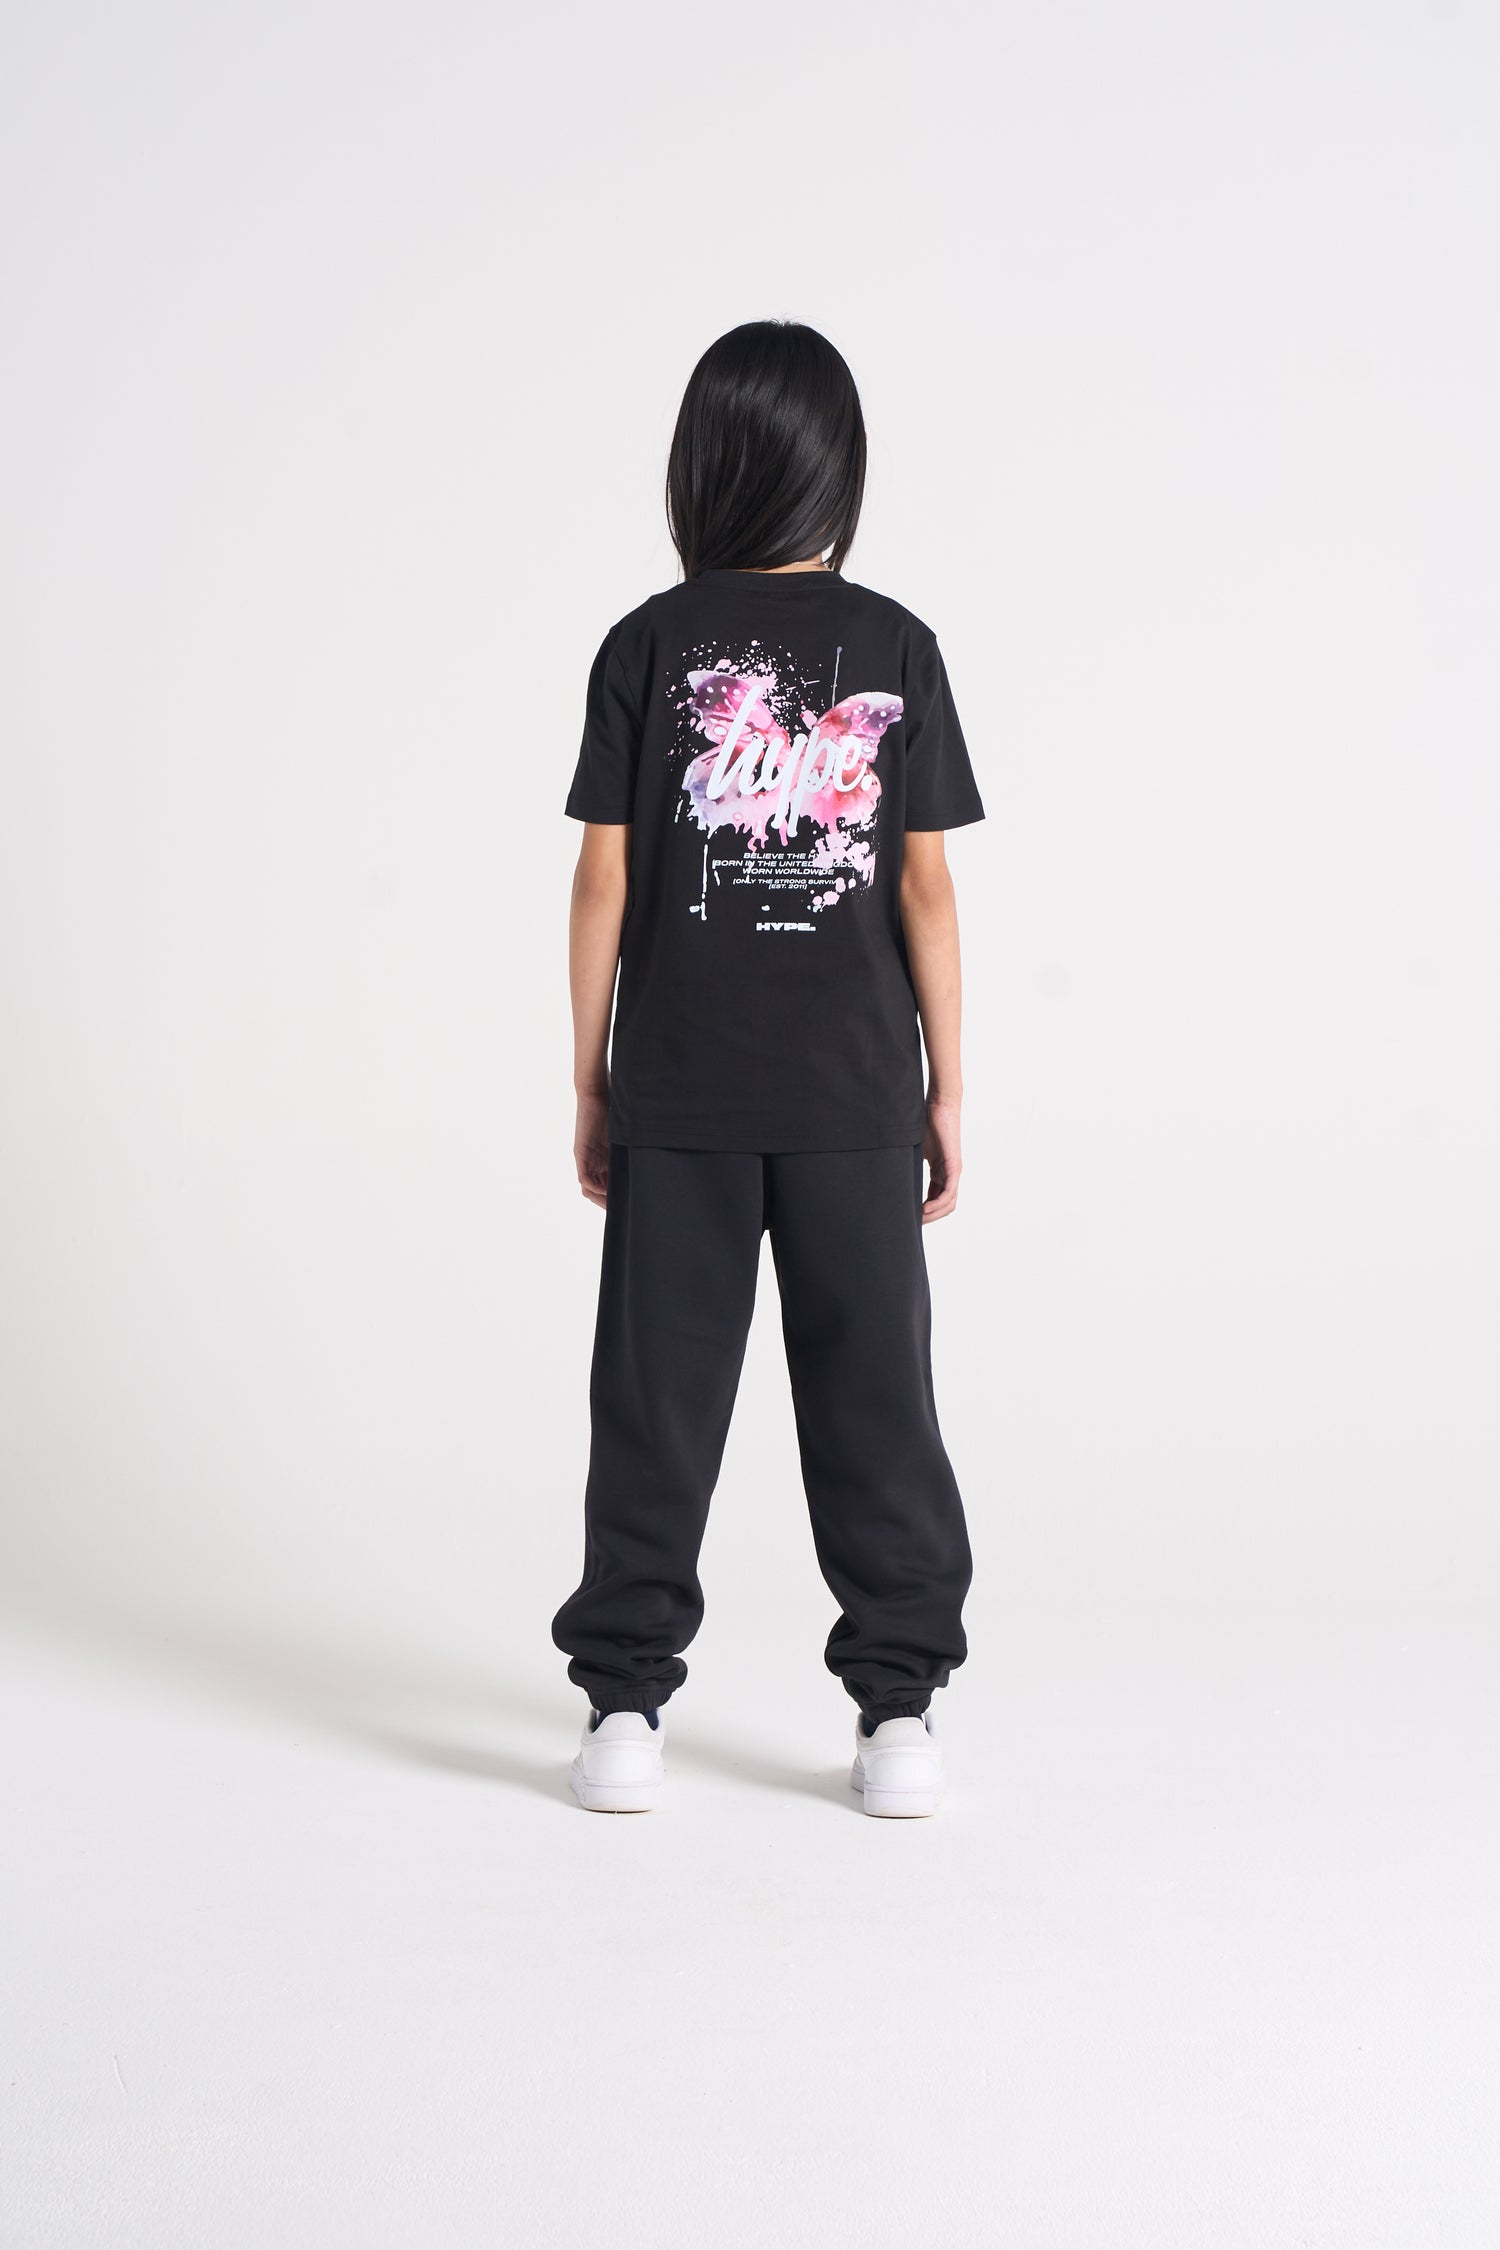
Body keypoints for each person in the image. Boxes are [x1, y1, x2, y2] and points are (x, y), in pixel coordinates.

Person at [551, 320, 984, 1818]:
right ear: (838, 470)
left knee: (654, 1404)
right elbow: (924, 888)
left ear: (702, 466)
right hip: (856, 1092)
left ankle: (623, 1709)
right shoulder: (897, 644)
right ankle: (898, 1718)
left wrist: (593, 1077)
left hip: (678, 1090)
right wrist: (945, 1084)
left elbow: (602, 882)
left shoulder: (645, 643)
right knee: (876, 1398)